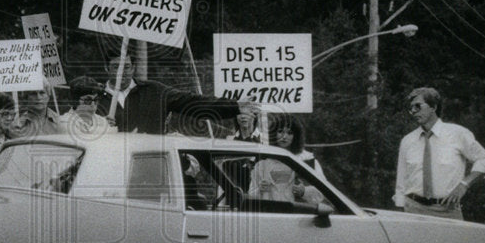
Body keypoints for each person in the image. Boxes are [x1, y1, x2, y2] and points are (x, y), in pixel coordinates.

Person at [394, 86, 485, 220]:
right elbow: (401, 181)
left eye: (417, 106)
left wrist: (464, 185)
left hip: (448, 211)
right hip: (413, 210)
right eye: (411, 108)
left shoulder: (458, 134)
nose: (413, 111)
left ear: (433, 107)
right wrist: (401, 210)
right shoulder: (408, 140)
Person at [99, 54, 240, 134]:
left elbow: (191, 102)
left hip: (150, 168)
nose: (121, 71)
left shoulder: (155, 91)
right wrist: (98, 126)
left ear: (134, 68)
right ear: (106, 68)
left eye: (127, 67)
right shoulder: (94, 98)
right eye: (115, 66)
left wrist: (235, 106)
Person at [248, 115, 324, 206]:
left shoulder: (307, 160)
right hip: (270, 216)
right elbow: (250, 196)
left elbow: (322, 193)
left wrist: (304, 192)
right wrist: (260, 190)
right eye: (280, 132)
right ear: (273, 134)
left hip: (299, 216)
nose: (284, 136)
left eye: (289, 133)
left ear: (296, 136)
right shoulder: (263, 162)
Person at [57, 76, 115, 141]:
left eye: (96, 100)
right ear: (74, 100)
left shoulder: (102, 121)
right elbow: (82, 142)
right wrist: (105, 130)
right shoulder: (64, 122)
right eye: (87, 100)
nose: (93, 105)